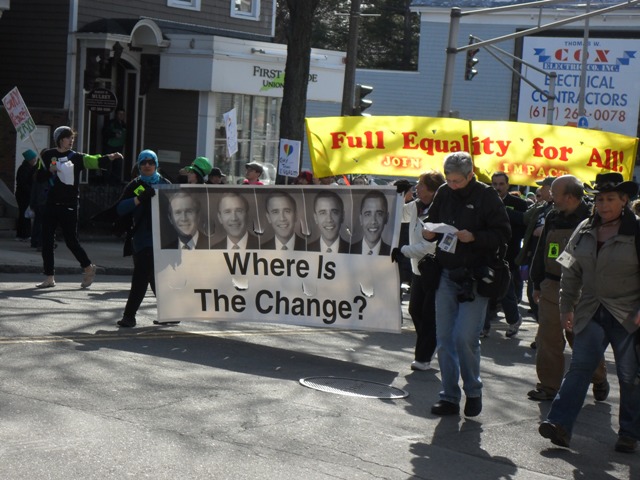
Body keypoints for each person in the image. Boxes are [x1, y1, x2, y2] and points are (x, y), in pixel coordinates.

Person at [539, 172, 640, 453]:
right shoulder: (583, 229)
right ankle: (559, 424)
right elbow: (569, 269)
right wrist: (565, 307)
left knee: (630, 375)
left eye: (610, 199)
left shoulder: (637, 231)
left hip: (628, 314)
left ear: (624, 200)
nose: (604, 205)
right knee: (580, 367)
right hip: (591, 310)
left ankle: (629, 433)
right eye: (599, 200)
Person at [423, 151, 510, 417]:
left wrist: (475, 237)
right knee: (445, 338)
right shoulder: (443, 193)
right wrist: (428, 231)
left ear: (471, 174)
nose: (452, 185)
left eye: (458, 180)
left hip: (475, 276)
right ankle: (449, 396)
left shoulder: (487, 196)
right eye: (448, 180)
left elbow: (503, 233)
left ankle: (473, 390)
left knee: (465, 338)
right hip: (447, 273)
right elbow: (431, 221)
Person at [528, 175, 608, 402]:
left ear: (571, 197)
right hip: (552, 285)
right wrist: (536, 282)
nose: (551, 197)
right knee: (548, 339)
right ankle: (548, 386)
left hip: (585, 290)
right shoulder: (552, 217)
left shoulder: (594, 219)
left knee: (581, 340)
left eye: (555, 193)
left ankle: (599, 377)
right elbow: (541, 251)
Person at [36, 126, 123, 289]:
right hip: (51, 204)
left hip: (69, 205)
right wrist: (49, 170)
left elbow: (94, 161)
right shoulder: (48, 155)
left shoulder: (76, 157)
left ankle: (88, 267)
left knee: (71, 241)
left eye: (72, 138)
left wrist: (110, 157)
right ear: (60, 139)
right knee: (46, 241)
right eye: (69, 138)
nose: (71, 141)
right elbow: (39, 177)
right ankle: (49, 277)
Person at [392, 170, 445, 371]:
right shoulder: (415, 206)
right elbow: (398, 214)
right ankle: (432, 343)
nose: (417, 188)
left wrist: (403, 251)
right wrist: (396, 195)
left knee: (428, 314)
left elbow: (429, 246)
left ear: (431, 190)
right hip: (418, 268)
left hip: (434, 269)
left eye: (421, 184)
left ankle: (423, 357)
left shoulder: (439, 210)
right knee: (415, 310)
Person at [115, 149, 171, 328]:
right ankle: (129, 316)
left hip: (163, 239)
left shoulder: (165, 184)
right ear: (139, 166)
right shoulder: (134, 185)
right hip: (142, 238)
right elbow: (120, 209)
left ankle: (169, 313)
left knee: (156, 278)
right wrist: (138, 199)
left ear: (156, 165)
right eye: (143, 162)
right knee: (142, 275)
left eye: (151, 162)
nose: (147, 165)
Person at [482, 172, 528, 338]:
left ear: (507, 185)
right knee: (484, 289)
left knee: (506, 292)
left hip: (509, 256)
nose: (498, 188)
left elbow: (524, 225)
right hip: (487, 254)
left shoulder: (518, 204)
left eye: (501, 184)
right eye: (494, 184)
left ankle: (514, 319)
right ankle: (483, 326)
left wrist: (502, 209)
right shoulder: (484, 202)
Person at [515, 176, 555, 324]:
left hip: (549, 260)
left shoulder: (560, 209)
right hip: (534, 256)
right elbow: (523, 218)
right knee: (533, 294)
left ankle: (546, 335)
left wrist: (545, 230)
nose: (540, 190)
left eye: (543, 187)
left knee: (544, 298)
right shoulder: (541, 207)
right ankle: (543, 331)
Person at [350, 190, 391, 255]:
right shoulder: (348, 250)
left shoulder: (392, 253)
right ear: (361, 219)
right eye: (368, 214)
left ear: (386, 218)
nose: (373, 221)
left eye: (379, 214)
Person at [15, 149, 37, 241]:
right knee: (25, 214)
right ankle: (24, 234)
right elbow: (23, 183)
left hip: (24, 194)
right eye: (33, 159)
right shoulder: (24, 169)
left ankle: (23, 234)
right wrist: (31, 191)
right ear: (30, 159)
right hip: (23, 195)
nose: (35, 160)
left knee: (24, 214)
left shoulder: (28, 168)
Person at [103, 109, 126, 184]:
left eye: (123, 114)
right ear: (116, 114)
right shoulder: (111, 123)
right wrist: (114, 135)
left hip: (119, 147)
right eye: (119, 114)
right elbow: (104, 132)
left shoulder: (124, 124)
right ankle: (106, 181)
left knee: (118, 164)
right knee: (108, 163)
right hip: (110, 146)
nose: (121, 116)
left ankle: (116, 182)